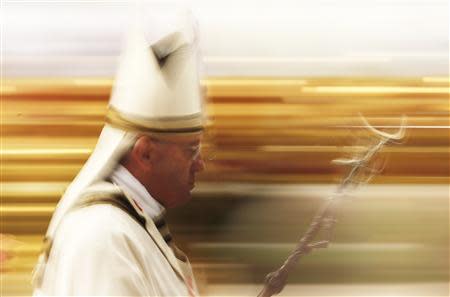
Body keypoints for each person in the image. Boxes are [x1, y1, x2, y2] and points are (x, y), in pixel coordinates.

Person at [32, 9, 205, 296]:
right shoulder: (102, 235)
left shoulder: (130, 224)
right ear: (146, 153)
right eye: (191, 150)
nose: (200, 164)